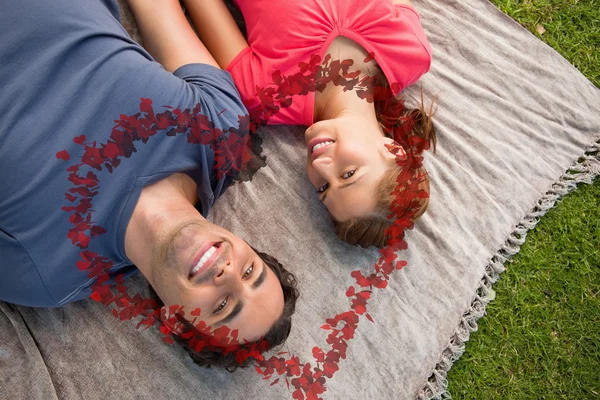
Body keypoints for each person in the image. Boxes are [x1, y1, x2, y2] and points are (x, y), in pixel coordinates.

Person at [0, 0, 298, 369]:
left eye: (223, 306)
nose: (228, 274)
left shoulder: (45, 275)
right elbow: (157, 11)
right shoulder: (222, 131)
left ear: (174, 320)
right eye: (251, 272)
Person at [175, 0, 438, 247]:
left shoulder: (266, 96)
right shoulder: (410, 54)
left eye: (324, 187)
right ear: (393, 150)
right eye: (348, 174)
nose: (320, 167)